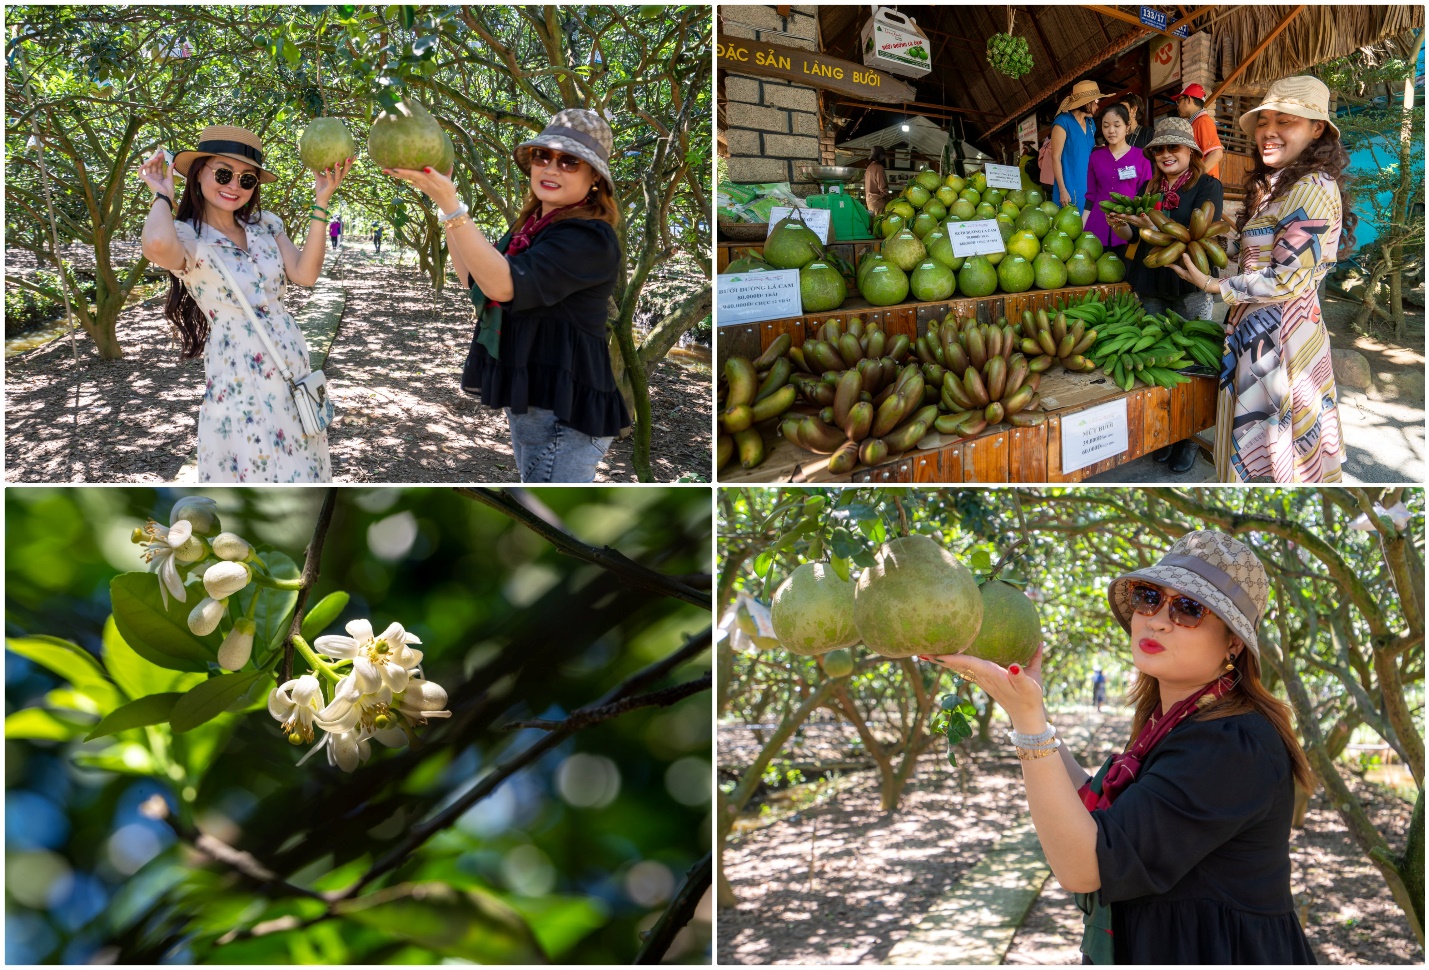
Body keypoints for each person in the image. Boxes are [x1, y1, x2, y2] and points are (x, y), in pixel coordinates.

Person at [923, 530, 1316, 965]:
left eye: (1188, 608)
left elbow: (1085, 866)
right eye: (1150, 597)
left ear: (1233, 643)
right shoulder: (1179, 722)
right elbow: (1102, 815)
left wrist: (1031, 726)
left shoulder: (1232, 745)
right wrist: (1030, 713)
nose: (1158, 620)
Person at [386, 108, 629, 483]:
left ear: (594, 177)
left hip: (568, 413)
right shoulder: (530, 229)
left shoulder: (589, 238)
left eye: (569, 162)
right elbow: (476, 279)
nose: (550, 168)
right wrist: (445, 207)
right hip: (536, 401)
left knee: (547, 509)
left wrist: (455, 207)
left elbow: (504, 285)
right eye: (542, 156)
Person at [1168, 76, 1356, 484]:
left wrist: (1216, 286)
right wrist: (1203, 243)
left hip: (1283, 345)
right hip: (1256, 338)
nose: (1268, 131)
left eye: (1285, 121)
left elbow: (1289, 279)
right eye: (1264, 121)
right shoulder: (1278, 184)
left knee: (1277, 459)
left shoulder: (1314, 188)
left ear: (1317, 128)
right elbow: (1258, 251)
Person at [138, 125, 352, 483]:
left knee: (304, 466)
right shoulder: (189, 236)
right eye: (223, 173)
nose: (234, 185)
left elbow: (305, 274)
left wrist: (322, 201)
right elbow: (157, 246)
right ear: (198, 173)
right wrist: (162, 195)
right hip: (238, 370)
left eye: (247, 179)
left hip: (292, 364)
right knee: (255, 467)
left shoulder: (265, 224)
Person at [1108, 116, 1223, 473]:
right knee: (1157, 362)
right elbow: (1136, 240)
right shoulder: (1148, 188)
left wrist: (1151, 225)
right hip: (1151, 282)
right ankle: (1161, 431)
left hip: (1190, 282)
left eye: (1174, 147)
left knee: (1192, 364)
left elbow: (1195, 233)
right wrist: (1125, 226)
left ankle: (1186, 437)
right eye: (1159, 149)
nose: (1166, 154)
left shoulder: (1207, 187)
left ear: (1191, 151)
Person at [1084, 104, 1153, 253]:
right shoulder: (1095, 157)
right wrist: (1081, 227)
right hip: (1097, 225)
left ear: (1127, 127)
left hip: (1130, 228)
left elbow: (1146, 197)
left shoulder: (1142, 157)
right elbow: (1091, 196)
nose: (1111, 131)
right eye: (1106, 125)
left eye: (1117, 125)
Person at [1050, 79, 1104, 208]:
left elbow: (1086, 150)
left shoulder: (1091, 124)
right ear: (1086, 102)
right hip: (1068, 185)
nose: (1098, 106)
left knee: (1087, 225)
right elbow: (1055, 157)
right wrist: (1062, 190)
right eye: (1096, 101)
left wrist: (1099, 150)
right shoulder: (1063, 122)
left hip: (1088, 184)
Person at [1173, 83, 1224, 180]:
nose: (1177, 106)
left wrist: (1195, 179)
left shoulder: (1203, 121)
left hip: (1205, 187)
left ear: (1189, 99)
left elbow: (1216, 153)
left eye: (1179, 101)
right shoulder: (1195, 123)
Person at [864, 146, 889, 216]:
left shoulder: (869, 168)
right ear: (880, 157)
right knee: (879, 225)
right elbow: (883, 188)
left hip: (870, 203)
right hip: (878, 203)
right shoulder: (879, 167)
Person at [1035, 123, 1056, 201]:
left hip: (1044, 181)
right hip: (1055, 181)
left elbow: (1040, 164)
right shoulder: (1059, 145)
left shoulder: (1044, 147)